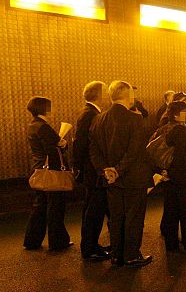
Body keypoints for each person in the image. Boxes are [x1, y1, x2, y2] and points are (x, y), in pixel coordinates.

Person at [90, 81, 153, 267]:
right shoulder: (135, 119)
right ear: (128, 95)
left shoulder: (98, 119)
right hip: (133, 177)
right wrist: (118, 169)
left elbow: (93, 150)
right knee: (134, 217)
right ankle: (131, 255)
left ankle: (117, 255)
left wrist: (105, 170)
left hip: (111, 179)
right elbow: (134, 151)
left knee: (116, 217)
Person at [23, 96, 72, 251]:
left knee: (39, 207)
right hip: (52, 171)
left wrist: (58, 142)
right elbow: (51, 149)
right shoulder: (44, 127)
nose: (53, 110)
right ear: (44, 108)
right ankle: (58, 242)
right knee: (55, 207)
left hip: (39, 169)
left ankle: (32, 241)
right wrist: (63, 144)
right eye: (50, 107)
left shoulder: (32, 125)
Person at [74, 81, 112, 261]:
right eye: (105, 92)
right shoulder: (90, 114)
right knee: (94, 212)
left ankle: (92, 246)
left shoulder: (89, 112)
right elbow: (81, 144)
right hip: (93, 171)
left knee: (93, 211)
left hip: (91, 170)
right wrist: (79, 167)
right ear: (99, 94)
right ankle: (90, 249)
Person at [154, 101, 186, 252]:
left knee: (170, 209)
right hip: (180, 174)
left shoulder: (163, 128)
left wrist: (164, 171)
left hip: (166, 174)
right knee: (185, 209)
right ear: (176, 115)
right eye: (185, 112)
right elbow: (180, 154)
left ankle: (171, 244)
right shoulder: (180, 129)